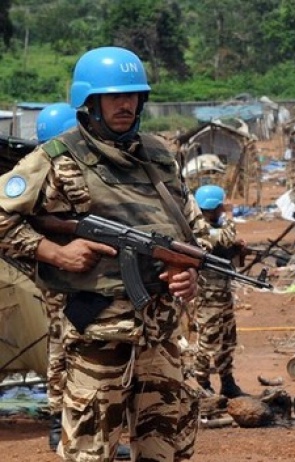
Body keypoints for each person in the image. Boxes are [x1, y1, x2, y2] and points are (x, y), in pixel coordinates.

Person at [0, 46, 205, 461]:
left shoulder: (161, 157)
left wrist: (188, 272)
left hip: (161, 335)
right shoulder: (57, 159)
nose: (126, 104)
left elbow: (189, 229)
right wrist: (54, 253)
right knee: (91, 453)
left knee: (168, 447)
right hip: (96, 335)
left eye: (133, 96)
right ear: (89, 101)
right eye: (115, 97)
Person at [36, 103, 134, 460]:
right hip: (67, 279)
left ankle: (63, 424)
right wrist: (56, 251)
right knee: (66, 348)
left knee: (62, 346)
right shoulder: (51, 171)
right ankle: (61, 426)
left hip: (71, 278)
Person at [191, 184, 247, 398]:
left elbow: (228, 247)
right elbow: (224, 237)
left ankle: (227, 381)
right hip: (207, 297)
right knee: (208, 341)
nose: (223, 210)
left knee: (227, 339)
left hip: (222, 295)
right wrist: (232, 217)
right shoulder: (201, 229)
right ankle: (201, 382)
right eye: (221, 206)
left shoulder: (216, 226)